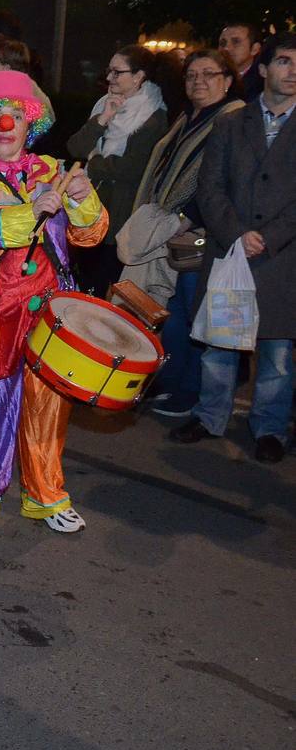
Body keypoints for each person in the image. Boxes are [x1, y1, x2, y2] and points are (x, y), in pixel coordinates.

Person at [0, 71, 108, 535]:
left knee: (49, 403)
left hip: (50, 308)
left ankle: (47, 494)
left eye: (15, 115)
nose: (4, 123)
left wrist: (81, 200)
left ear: (28, 124)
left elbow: (91, 234)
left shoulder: (54, 171)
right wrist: (30, 210)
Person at [171, 34, 296, 463]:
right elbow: (210, 188)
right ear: (263, 70)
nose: (292, 70)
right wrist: (237, 232)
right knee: (220, 344)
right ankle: (209, 417)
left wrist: (272, 236)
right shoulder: (231, 124)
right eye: (283, 61)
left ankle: (270, 429)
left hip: (283, 258)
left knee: (277, 354)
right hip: (230, 251)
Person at [116, 49, 245, 419]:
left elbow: (226, 178)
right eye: (191, 75)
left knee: (194, 315)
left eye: (208, 74)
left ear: (227, 78)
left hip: (202, 233)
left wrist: (187, 217)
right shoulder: (190, 116)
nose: (198, 82)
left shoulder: (234, 117)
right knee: (168, 310)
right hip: (174, 227)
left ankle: (191, 393)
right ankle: (171, 384)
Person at [66, 45, 167, 296]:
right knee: (80, 277)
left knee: (99, 284)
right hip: (89, 205)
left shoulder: (152, 116)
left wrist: (95, 160)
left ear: (139, 76)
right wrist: (104, 118)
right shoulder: (105, 103)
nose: (109, 78)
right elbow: (75, 147)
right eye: (109, 71)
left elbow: (131, 169)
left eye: (117, 72)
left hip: (119, 215)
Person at [217, 22, 264, 104]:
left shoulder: (263, 85)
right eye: (222, 43)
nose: (226, 48)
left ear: (254, 49)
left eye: (236, 42)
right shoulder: (209, 77)